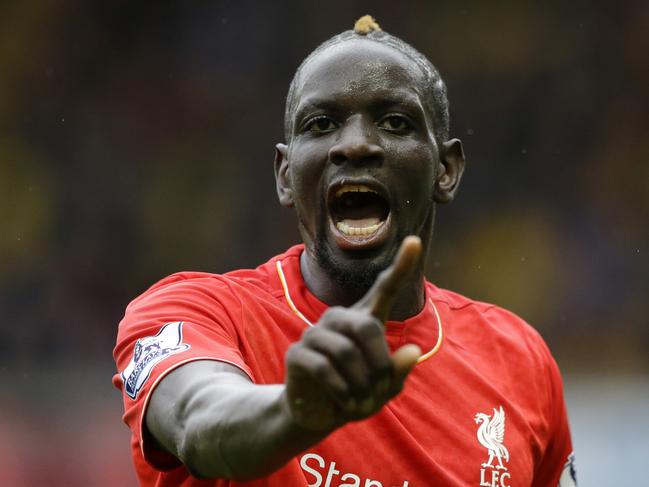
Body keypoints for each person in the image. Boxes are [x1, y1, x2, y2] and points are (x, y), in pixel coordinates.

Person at [113, 16, 577, 487]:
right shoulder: (195, 312)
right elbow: (200, 423)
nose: (355, 145)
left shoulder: (520, 360)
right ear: (285, 174)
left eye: (395, 122)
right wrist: (295, 414)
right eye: (321, 124)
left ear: (445, 169)